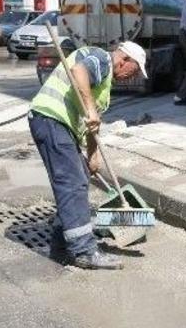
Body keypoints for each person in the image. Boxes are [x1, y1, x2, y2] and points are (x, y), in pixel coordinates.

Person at [28, 42, 148, 269]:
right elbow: (78, 71)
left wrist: (93, 156)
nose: (132, 77)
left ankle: (61, 245)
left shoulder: (104, 84)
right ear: (124, 60)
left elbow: (94, 123)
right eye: (133, 70)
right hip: (51, 119)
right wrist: (91, 109)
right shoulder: (102, 59)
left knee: (79, 179)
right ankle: (84, 251)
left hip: (59, 125)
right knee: (72, 184)